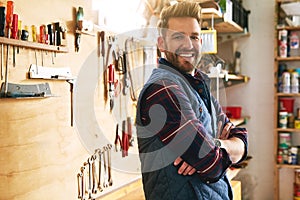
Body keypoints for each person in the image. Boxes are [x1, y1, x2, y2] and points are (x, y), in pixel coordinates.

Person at [136, 1, 248, 200]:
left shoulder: (197, 85)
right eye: (178, 36)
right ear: (161, 43)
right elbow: (211, 164)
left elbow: (242, 140)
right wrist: (214, 152)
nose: (188, 45)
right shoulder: (163, 90)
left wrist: (217, 145)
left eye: (194, 37)